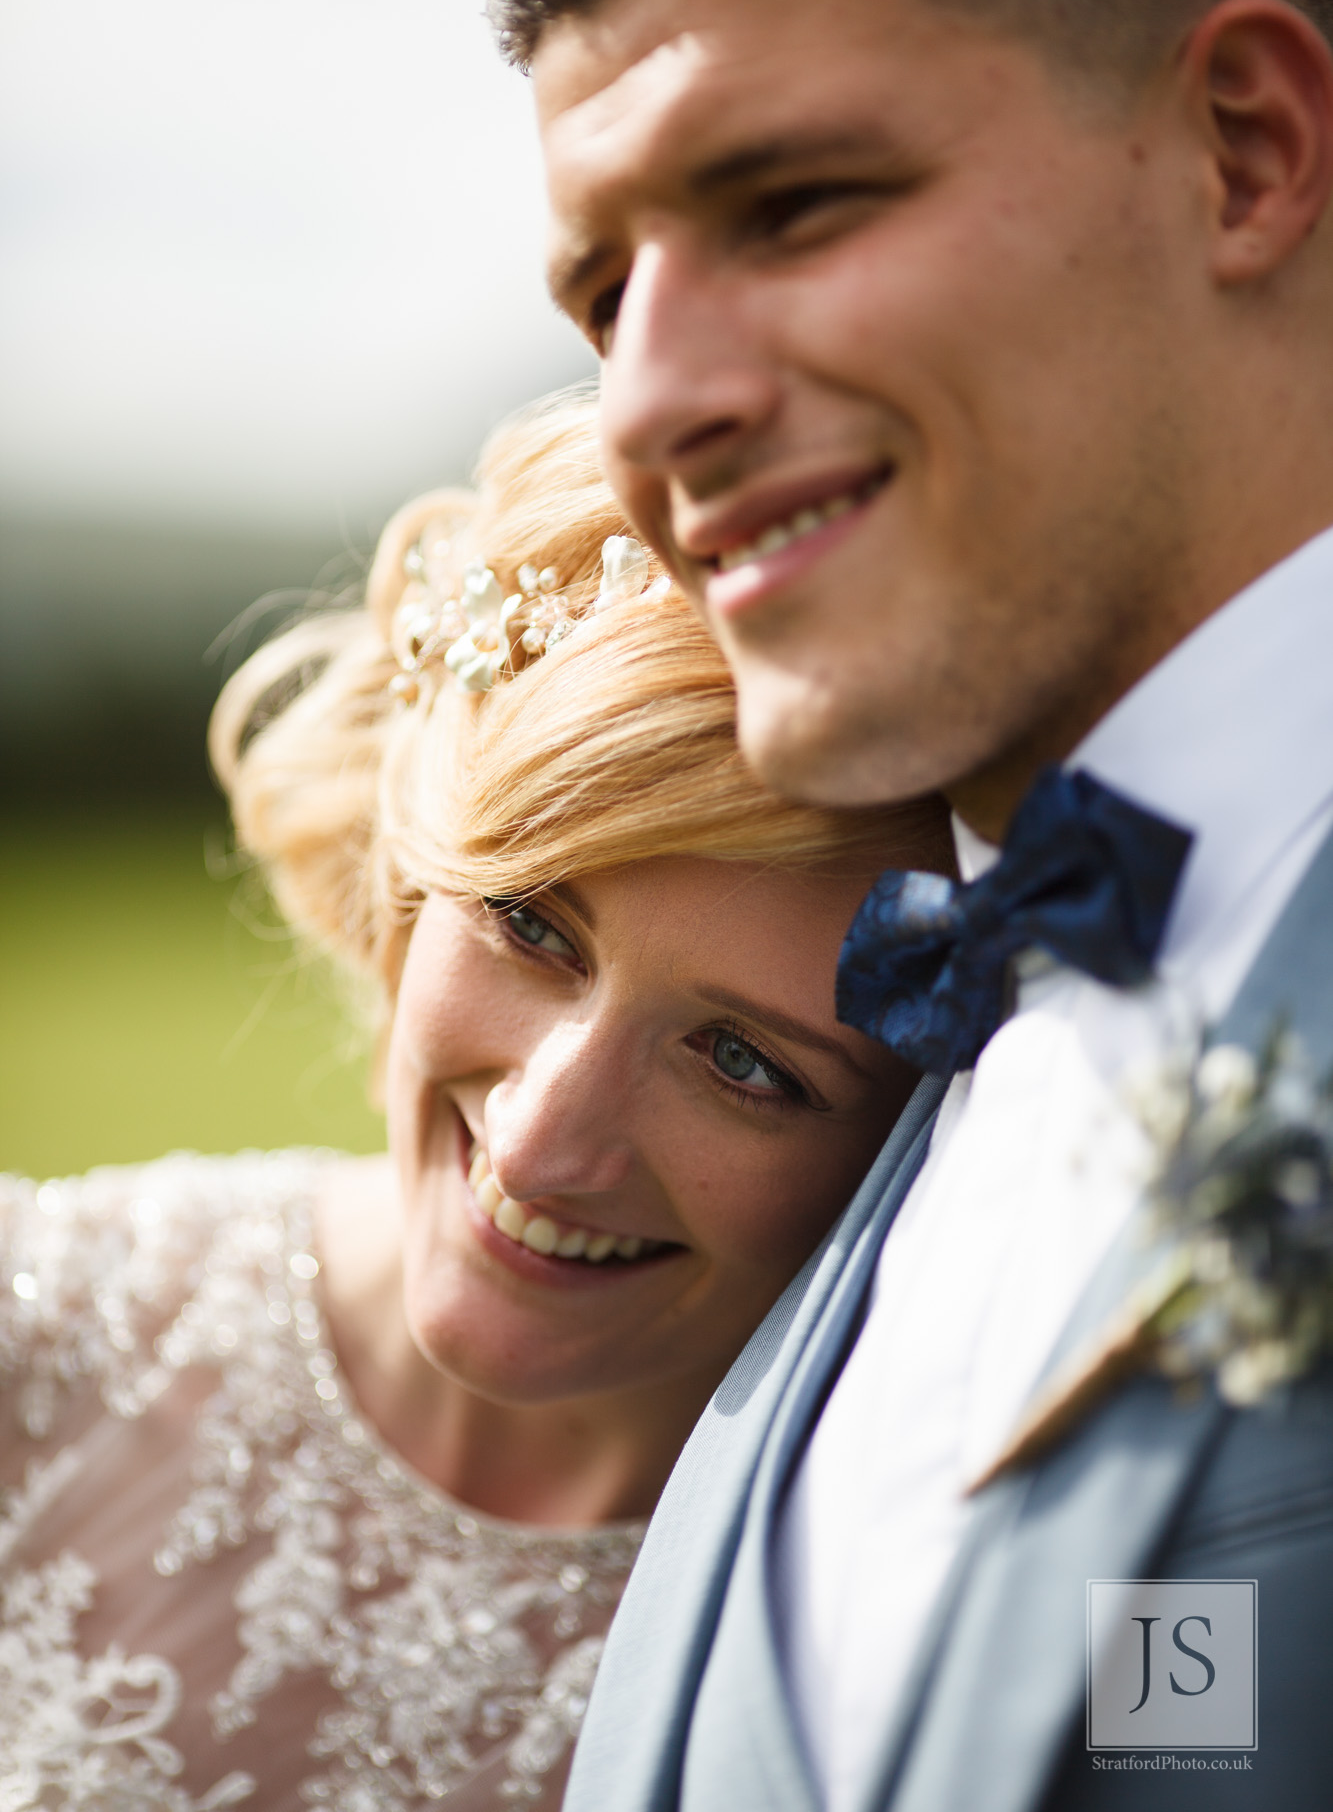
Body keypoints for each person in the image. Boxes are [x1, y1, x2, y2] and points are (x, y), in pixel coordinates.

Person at [487, 0, 1333, 1808]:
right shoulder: (865, 1090)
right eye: (605, 294)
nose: (647, 405)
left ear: (1244, 148)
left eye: (788, 201)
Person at [0, 399, 950, 1809]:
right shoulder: (37, 1332)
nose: (540, 1140)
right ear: (411, 867)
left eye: (745, 1064)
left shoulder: (938, 1629)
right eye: (528, 924)